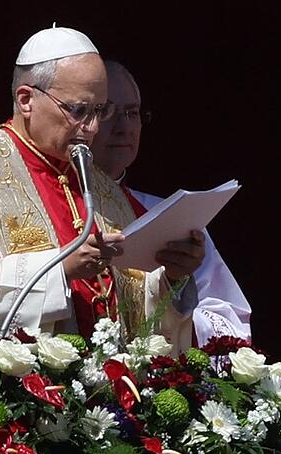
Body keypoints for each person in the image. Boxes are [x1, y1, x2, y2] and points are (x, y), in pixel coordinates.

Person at [0, 26, 205, 354]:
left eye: (100, 111)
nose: (93, 128)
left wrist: (173, 276)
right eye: (79, 111)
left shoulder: (100, 187)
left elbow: (138, 294)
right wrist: (61, 269)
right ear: (26, 99)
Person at [89, 60, 252, 346]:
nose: (124, 126)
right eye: (107, 111)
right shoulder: (52, 207)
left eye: (133, 113)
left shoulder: (167, 216)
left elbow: (230, 325)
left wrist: (177, 291)